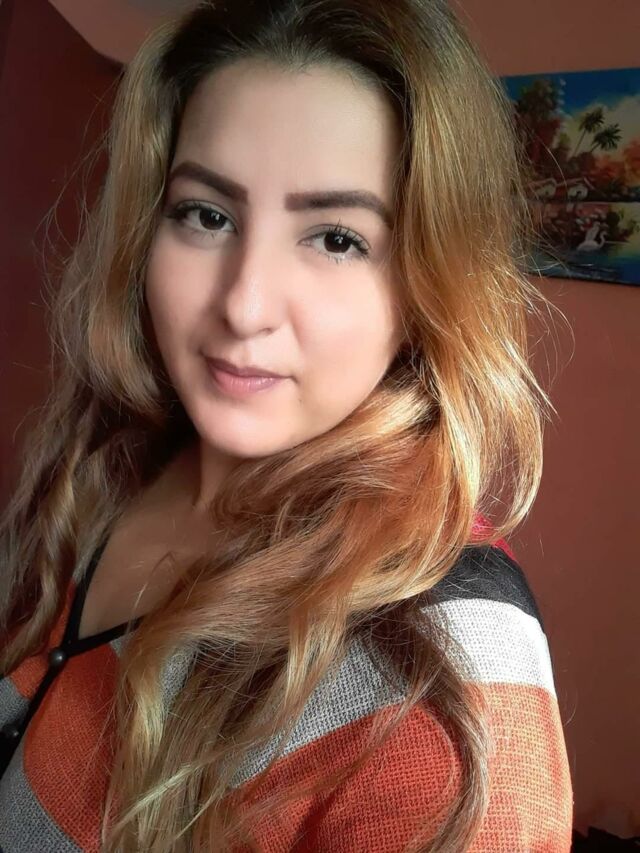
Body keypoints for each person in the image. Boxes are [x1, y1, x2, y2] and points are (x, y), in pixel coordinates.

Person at [0, 0, 574, 850]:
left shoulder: (440, 676)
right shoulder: (111, 460)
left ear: (428, 281)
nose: (244, 304)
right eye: (207, 214)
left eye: (336, 238)